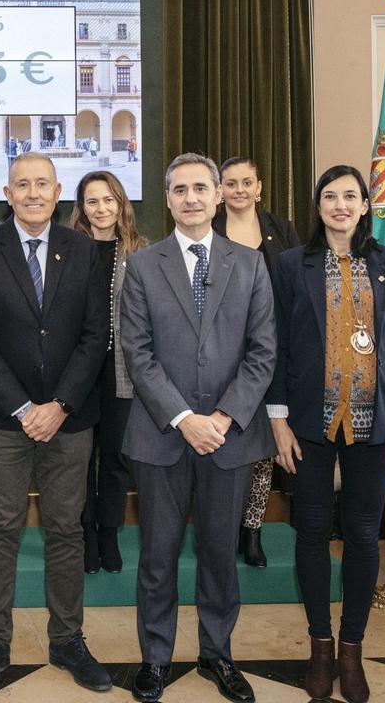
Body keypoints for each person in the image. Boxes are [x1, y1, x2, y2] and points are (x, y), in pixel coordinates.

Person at [119, 153, 276, 703]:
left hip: (230, 438)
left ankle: (217, 654)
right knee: (158, 556)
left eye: (200, 188)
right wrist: (186, 419)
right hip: (162, 435)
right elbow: (137, 354)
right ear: (167, 200)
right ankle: (156, 658)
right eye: (180, 189)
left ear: (217, 196)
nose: (191, 198)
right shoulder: (142, 266)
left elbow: (263, 351)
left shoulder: (250, 264)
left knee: (219, 554)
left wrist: (223, 418)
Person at [0, 152, 112, 694]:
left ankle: (67, 638)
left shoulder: (84, 250)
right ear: (8, 193)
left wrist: (60, 404)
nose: (33, 193)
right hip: (3, 419)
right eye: (22, 185)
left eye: (42, 184)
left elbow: (96, 334)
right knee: (0, 528)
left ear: (57, 190)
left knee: (67, 529)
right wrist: (24, 408)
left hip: (70, 419)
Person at [267, 165, 385, 703]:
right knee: (311, 533)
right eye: (330, 196)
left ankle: (352, 649)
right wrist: (278, 420)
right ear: (319, 206)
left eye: (350, 196)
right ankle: (320, 646)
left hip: (374, 424)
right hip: (309, 422)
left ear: (365, 205)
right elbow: (277, 345)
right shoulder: (292, 264)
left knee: (360, 535)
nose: (340, 205)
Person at [211, 156, 302, 567]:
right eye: (231, 183)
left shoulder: (281, 230)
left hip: (270, 351)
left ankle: (252, 529)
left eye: (247, 182)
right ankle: (220, 527)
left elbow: (296, 289)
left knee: (263, 443)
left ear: (259, 186)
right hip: (219, 352)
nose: (239, 190)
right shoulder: (208, 228)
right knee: (221, 438)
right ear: (220, 190)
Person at [69, 170, 146, 574]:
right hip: (78, 373)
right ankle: (85, 533)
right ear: (81, 208)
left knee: (115, 457)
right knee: (80, 458)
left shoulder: (141, 251)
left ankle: (110, 532)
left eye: (108, 200)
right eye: (92, 201)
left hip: (122, 372)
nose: (101, 208)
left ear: (120, 204)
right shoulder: (67, 250)